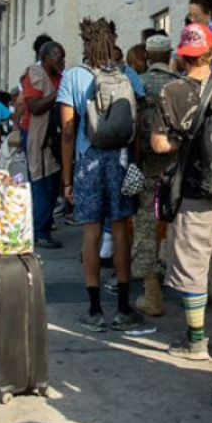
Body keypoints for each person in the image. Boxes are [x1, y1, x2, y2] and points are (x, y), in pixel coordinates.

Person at [57, 17, 153, 334]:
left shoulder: (73, 76)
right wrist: (135, 162)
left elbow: (68, 131)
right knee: (121, 228)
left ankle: (95, 308)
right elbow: (137, 124)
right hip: (121, 160)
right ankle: (124, 307)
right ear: (113, 41)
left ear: (86, 43)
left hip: (88, 162)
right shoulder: (127, 75)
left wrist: (67, 178)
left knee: (91, 231)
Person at [148, 23, 212, 359]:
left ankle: (197, 342)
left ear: (181, 56)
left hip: (193, 190)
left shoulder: (171, 92)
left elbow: (158, 144)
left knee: (193, 268)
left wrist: (184, 142)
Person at [133, 32, 179, 316]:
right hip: (177, 165)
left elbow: (134, 128)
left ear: (148, 56)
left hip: (148, 163)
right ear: (170, 54)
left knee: (147, 224)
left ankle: (152, 293)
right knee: (179, 223)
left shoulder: (139, 84)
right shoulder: (181, 85)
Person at [24, 40, 65, 248]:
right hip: (37, 136)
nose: (62, 62)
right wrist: (60, 93)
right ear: (46, 57)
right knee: (41, 182)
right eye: (59, 57)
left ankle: (45, 226)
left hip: (55, 137)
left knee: (52, 184)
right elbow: (35, 107)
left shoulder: (61, 77)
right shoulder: (35, 74)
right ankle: (39, 232)